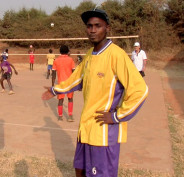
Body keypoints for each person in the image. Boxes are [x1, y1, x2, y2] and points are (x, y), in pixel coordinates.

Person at [42, 9, 148, 177]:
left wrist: (116, 116)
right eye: (89, 26)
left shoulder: (117, 55)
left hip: (104, 132)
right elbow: (77, 79)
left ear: (107, 28)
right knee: (80, 170)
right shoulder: (90, 55)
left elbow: (140, 90)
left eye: (97, 26)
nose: (92, 30)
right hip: (86, 128)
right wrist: (56, 89)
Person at [52, 45, 75, 122]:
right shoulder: (70, 59)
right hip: (69, 83)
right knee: (70, 99)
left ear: (60, 51)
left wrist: (52, 85)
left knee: (60, 100)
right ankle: (70, 116)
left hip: (61, 83)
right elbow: (74, 72)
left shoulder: (56, 60)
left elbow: (53, 74)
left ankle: (60, 117)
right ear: (68, 51)